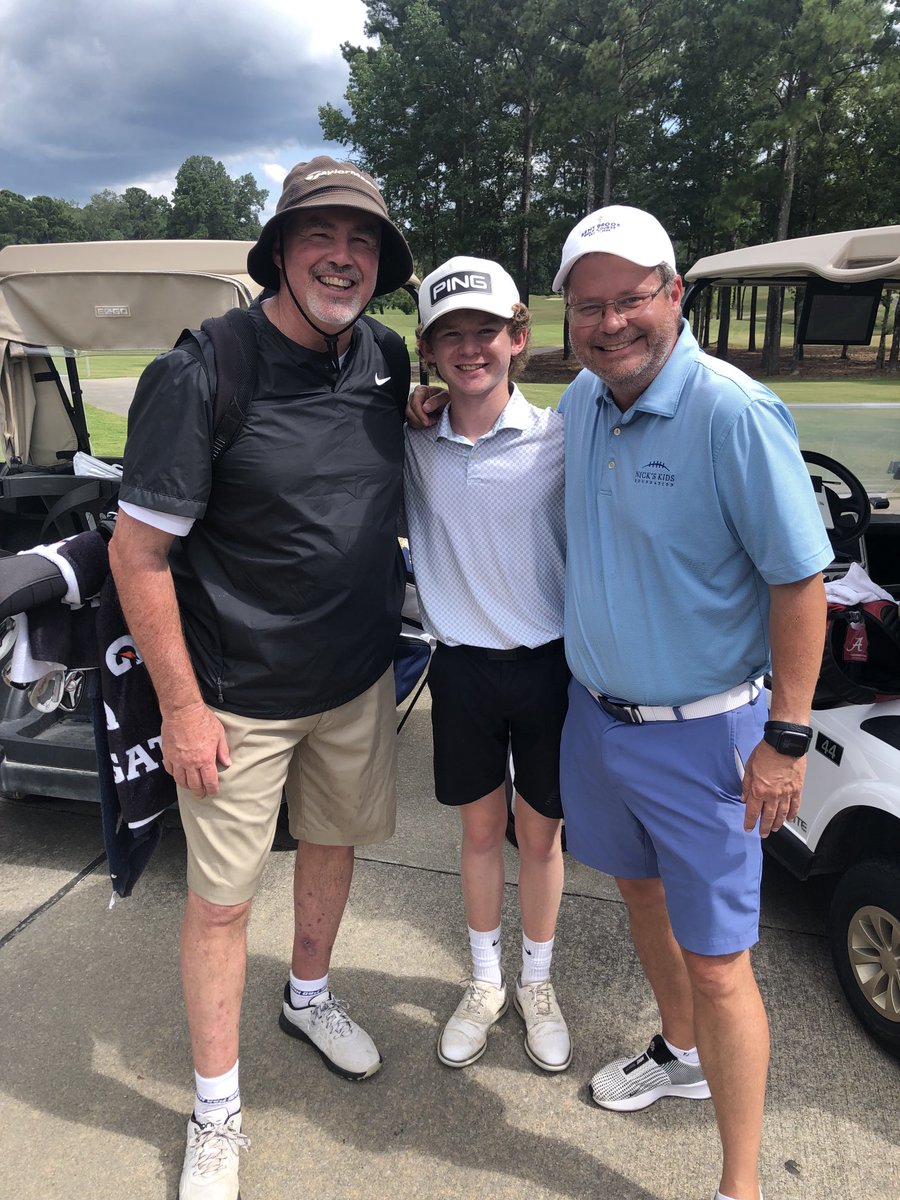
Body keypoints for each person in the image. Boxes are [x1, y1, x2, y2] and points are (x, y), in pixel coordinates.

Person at [108, 157, 414, 1200]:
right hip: (234, 700)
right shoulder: (205, 368)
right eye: (320, 235)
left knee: (333, 845)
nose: (343, 255)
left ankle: (311, 995)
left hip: (355, 679)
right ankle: (217, 1108)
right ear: (280, 251)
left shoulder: (388, 358)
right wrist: (183, 708)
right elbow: (137, 554)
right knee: (224, 905)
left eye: (363, 239)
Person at [553, 206, 833, 1200]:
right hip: (598, 720)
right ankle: (675, 1055)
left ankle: (740, 1186)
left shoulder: (732, 411)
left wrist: (787, 737)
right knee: (636, 896)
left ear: (674, 296)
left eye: (632, 298)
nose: (612, 322)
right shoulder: (582, 403)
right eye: (591, 306)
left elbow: (801, 582)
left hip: (710, 736)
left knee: (721, 965)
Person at [404, 257, 571, 1072]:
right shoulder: (410, 437)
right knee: (478, 833)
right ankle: (484, 982)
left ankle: (537, 982)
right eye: (450, 335)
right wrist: (403, 406)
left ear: (518, 338)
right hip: (463, 666)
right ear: (429, 350)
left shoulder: (560, 436)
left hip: (548, 666)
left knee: (538, 837)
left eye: (485, 332)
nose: (470, 349)